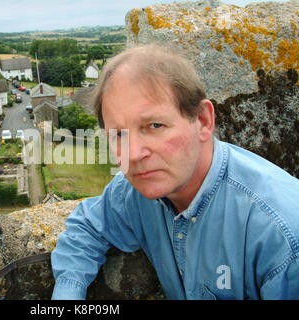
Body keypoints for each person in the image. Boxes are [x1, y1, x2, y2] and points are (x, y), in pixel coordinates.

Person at [50, 44, 299, 300]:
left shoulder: (282, 236)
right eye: (119, 134)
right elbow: (88, 227)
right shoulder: (135, 192)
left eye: (155, 125)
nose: (134, 154)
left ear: (202, 121)